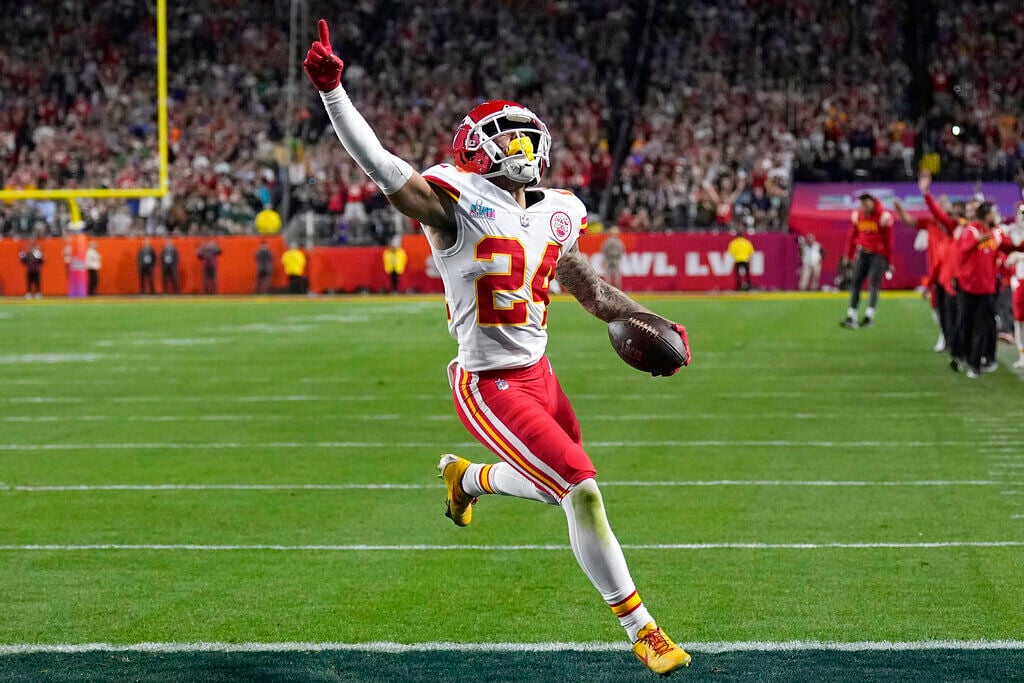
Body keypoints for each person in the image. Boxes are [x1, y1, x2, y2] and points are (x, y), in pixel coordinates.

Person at [305, 19, 692, 676]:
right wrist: (334, 94)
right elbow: (381, 166)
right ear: (476, 149)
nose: (523, 144)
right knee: (582, 490)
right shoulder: (455, 202)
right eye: (508, 135)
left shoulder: (555, 212)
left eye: (526, 135)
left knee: (555, 490)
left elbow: (593, 295)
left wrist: (653, 319)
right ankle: (643, 627)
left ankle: (470, 478)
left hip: (540, 374)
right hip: (488, 383)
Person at [951, 203, 1022, 378]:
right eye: (993, 212)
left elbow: (1011, 247)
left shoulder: (996, 234)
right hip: (968, 287)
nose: (996, 215)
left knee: (981, 326)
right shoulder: (971, 230)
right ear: (986, 216)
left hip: (988, 288)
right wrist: (982, 238)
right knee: (965, 323)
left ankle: (976, 364)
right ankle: (963, 355)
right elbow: (964, 248)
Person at [840, 193, 894, 329]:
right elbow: (851, 236)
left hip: (878, 255)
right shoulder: (858, 215)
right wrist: (848, 255)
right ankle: (851, 315)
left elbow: (889, 242)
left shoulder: (883, 217)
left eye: (866, 203)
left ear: (873, 202)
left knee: (873, 284)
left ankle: (869, 316)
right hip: (862, 252)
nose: (863, 207)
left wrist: (889, 261)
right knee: (855, 283)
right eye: (862, 204)